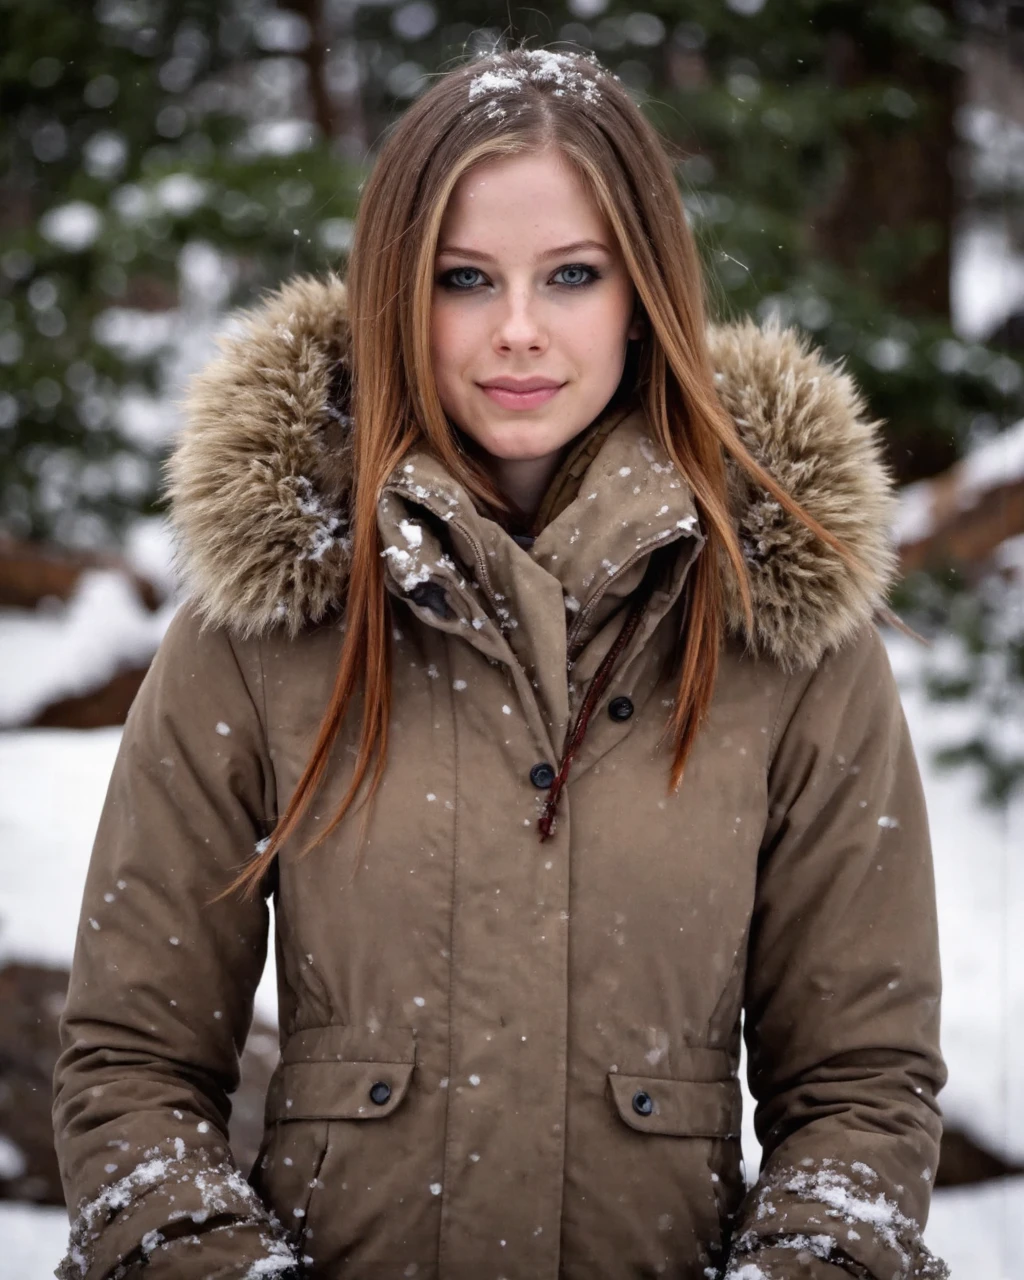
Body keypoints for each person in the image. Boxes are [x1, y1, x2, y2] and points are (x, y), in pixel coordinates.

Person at [52, 44, 949, 1280]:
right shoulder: (264, 622)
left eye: (571, 275)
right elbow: (131, 1066)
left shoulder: (778, 624)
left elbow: (861, 1082)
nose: (517, 331)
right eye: (464, 278)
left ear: (641, 291)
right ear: (393, 290)